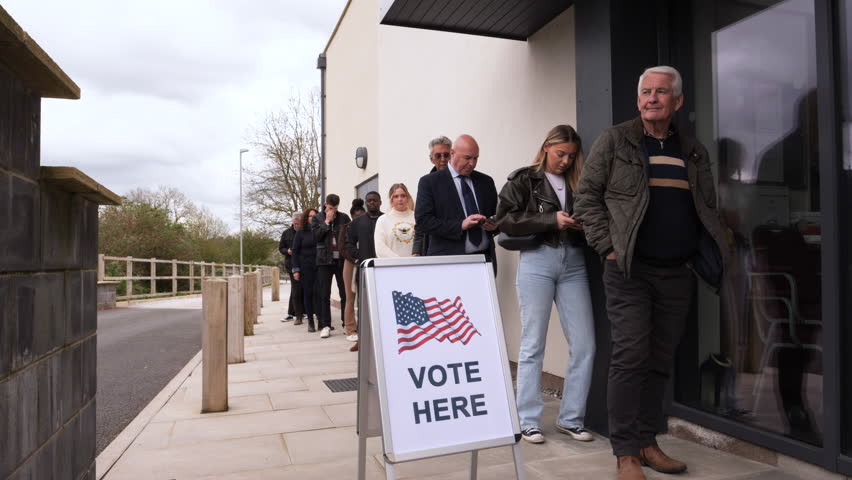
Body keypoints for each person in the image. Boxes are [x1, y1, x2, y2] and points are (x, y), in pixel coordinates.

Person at [574, 65, 729, 480]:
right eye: (646, 91)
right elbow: (585, 198)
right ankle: (625, 451)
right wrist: (607, 246)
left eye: (662, 92)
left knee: (660, 359)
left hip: (677, 272)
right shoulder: (615, 140)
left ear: (677, 101)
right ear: (637, 99)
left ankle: (647, 440)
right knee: (629, 356)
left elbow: (707, 208)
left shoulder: (693, 151)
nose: (652, 98)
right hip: (629, 271)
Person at [495, 125, 595, 445]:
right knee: (533, 342)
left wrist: (580, 225)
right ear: (546, 147)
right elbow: (504, 220)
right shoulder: (525, 179)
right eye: (560, 153)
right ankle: (528, 420)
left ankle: (571, 418)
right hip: (538, 258)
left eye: (571, 155)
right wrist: (551, 220)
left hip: (575, 262)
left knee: (585, 344)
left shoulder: (580, 182)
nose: (565, 161)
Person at [414, 134, 499, 273]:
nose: (472, 163)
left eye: (475, 158)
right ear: (452, 154)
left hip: (484, 262)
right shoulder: (430, 182)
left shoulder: (486, 182)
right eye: (467, 158)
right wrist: (460, 225)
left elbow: (497, 215)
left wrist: (494, 226)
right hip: (448, 263)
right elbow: (423, 222)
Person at [344, 191, 384, 352]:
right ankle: (362, 340)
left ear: (380, 202)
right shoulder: (358, 222)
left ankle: (382, 340)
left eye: (375, 200)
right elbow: (349, 243)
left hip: (384, 269)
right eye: (369, 201)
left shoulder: (385, 220)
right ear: (366, 203)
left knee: (383, 305)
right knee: (364, 306)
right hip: (365, 269)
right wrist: (359, 256)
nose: (372, 202)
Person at [311, 194, 352, 339]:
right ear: (325, 205)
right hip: (324, 261)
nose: (333, 211)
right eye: (330, 208)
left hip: (341, 260)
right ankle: (325, 325)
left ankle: (346, 323)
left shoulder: (344, 218)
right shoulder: (317, 218)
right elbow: (315, 237)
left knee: (345, 294)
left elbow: (350, 237)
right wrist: (327, 221)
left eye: (335, 209)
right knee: (324, 294)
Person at [413, 136, 451, 256]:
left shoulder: (462, 181)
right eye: (438, 156)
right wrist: (416, 250)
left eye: (446, 155)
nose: (443, 159)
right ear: (431, 159)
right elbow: (421, 221)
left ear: (452, 155)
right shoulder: (426, 184)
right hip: (434, 247)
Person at [340, 198, 365, 343]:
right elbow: (343, 248)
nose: (359, 219)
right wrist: (355, 259)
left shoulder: (369, 225)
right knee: (350, 296)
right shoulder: (346, 227)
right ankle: (350, 328)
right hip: (350, 263)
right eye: (357, 217)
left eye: (361, 216)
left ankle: (365, 327)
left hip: (365, 262)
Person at [291, 208, 319, 333]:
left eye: (315, 216)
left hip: (320, 266)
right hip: (306, 267)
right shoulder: (301, 232)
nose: (312, 218)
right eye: (310, 216)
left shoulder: (320, 230)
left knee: (321, 294)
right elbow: (295, 252)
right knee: (308, 294)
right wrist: (296, 270)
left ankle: (323, 320)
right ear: (306, 218)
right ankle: (311, 323)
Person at [374, 183, 417, 258]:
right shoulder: (383, 220)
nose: (400, 199)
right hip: (392, 266)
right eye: (396, 196)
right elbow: (380, 248)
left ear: (407, 198)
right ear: (391, 199)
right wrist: (399, 261)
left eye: (403, 196)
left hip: (416, 266)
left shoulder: (417, 217)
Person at [278, 215, 304, 324]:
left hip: (304, 264)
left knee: (299, 289)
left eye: (298, 224)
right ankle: (297, 315)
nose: (296, 226)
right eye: (295, 224)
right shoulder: (286, 233)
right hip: (291, 264)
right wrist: (287, 251)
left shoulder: (305, 231)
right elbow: (281, 248)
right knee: (296, 288)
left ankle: (295, 312)